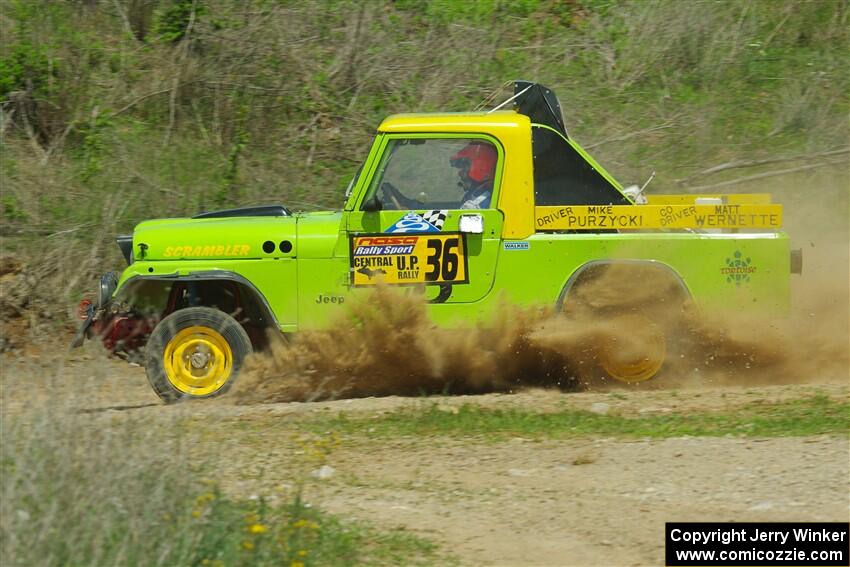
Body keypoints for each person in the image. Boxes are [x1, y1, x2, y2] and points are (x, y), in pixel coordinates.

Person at [451, 142, 497, 209]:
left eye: (464, 167)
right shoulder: (474, 194)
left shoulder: (477, 204)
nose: (459, 173)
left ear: (481, 168)